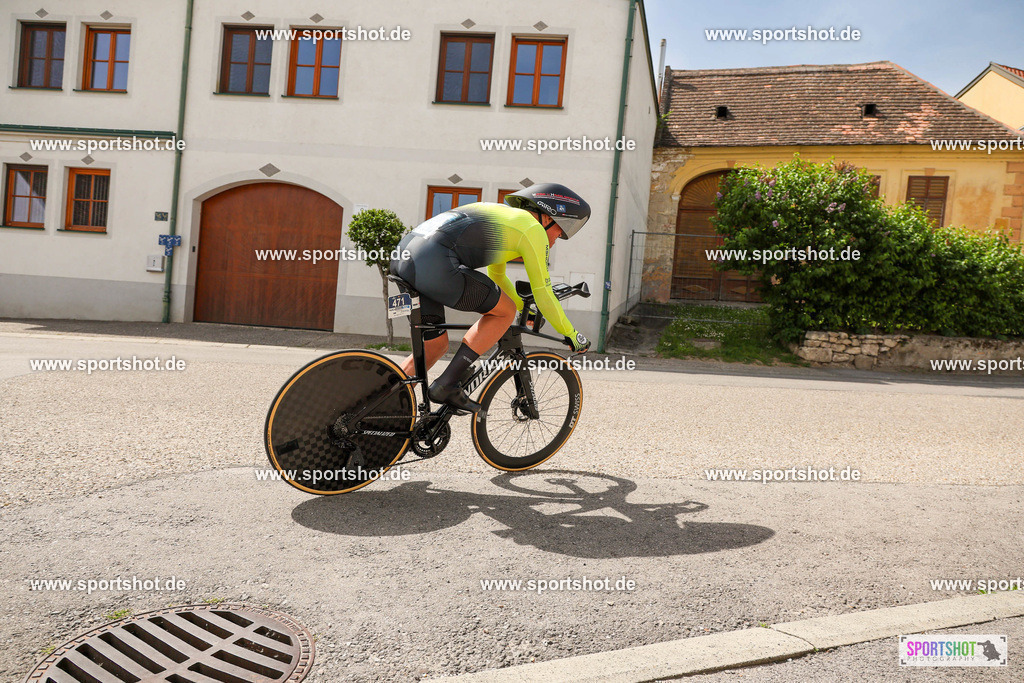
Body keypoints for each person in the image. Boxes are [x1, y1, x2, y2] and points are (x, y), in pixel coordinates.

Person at [390, 183, 592, 413]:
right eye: (561, 229)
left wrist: (530, 311)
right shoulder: (532, 229)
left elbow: (498, 275)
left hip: (405, 259)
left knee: (434, 346)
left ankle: (377, 400)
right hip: (432, 263)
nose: (559, 238)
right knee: (504, 312)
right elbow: (543, 291)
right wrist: (571, 334)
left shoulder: (506, 218)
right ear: (546, 217)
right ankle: (446, 385)